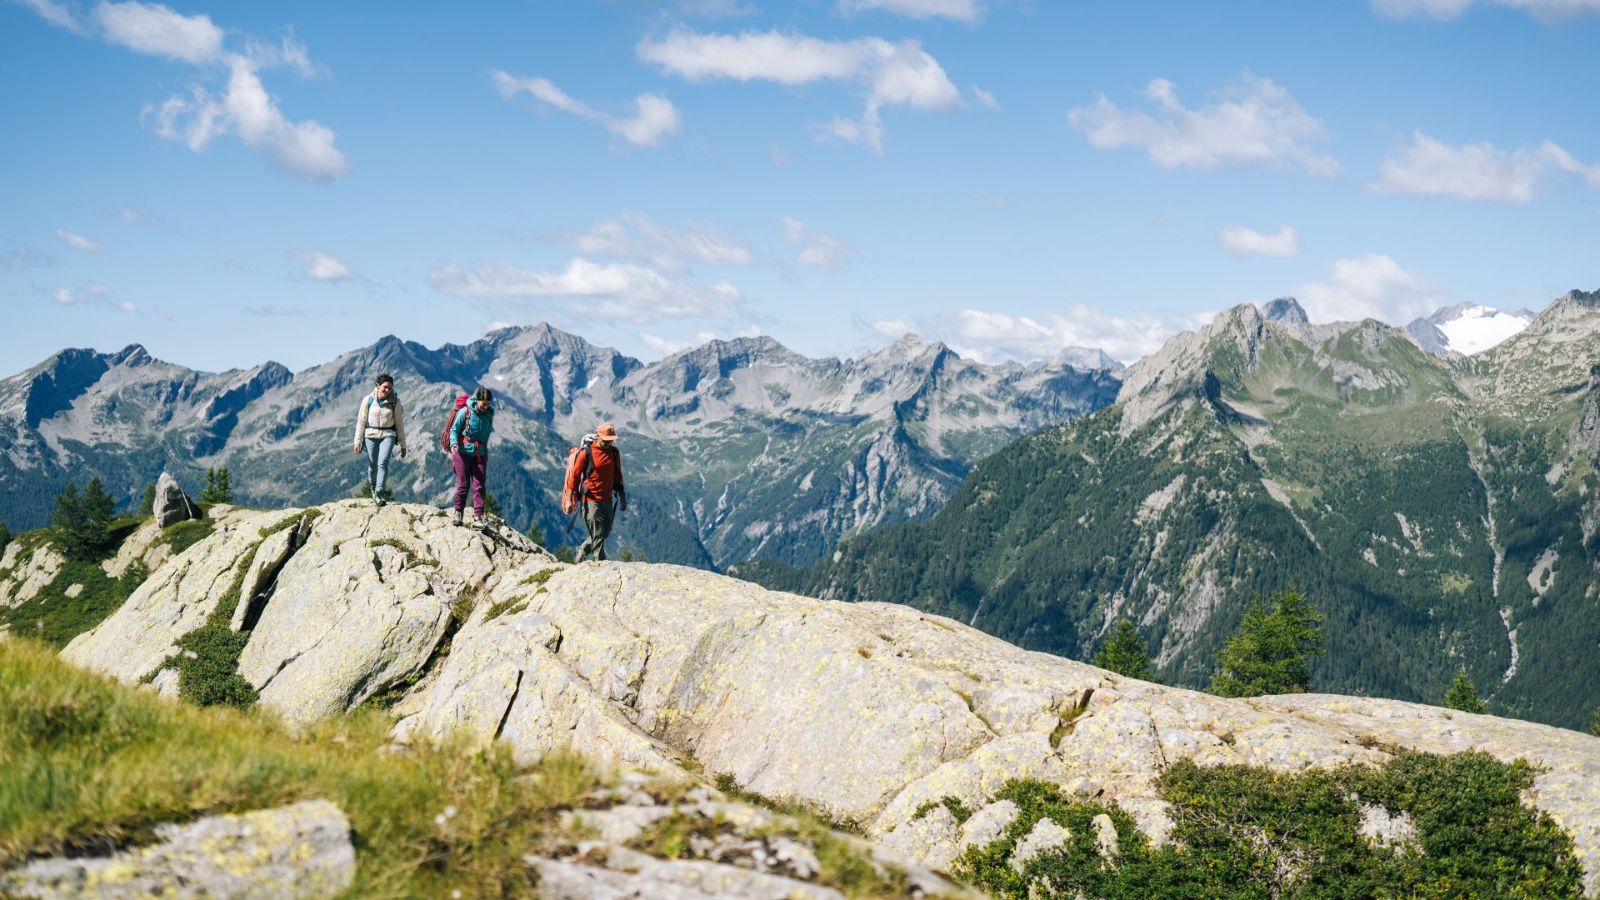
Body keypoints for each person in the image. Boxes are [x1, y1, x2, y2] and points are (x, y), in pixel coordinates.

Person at [570, 422, 626, 562]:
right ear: (598, 436)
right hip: (591, 499)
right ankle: (600, 565)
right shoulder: (586, 453)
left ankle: (584, 549)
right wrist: (571, 496)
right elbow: (575, 475)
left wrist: (622, 496)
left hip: (607, 498)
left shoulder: (614, 452)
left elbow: (617, 475)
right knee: (599, 532)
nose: (608, 443)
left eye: (611, 440)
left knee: (605, 531)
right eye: (606, 440)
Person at [352, 373, 406, 507]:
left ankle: (379, 491)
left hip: (388, 434)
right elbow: (361, 421)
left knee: (383, 463)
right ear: (377, 386)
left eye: (390, 388)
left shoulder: (395, 402)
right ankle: (373, 485)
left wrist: (403, 444)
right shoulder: (368, 400)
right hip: (370, 435)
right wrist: (357, 441)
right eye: (385, 387)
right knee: (373, 465)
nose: (387, 390)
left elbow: (399, 423)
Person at [449, 387, 494, 528]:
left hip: (480, 453)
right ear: (477, 400)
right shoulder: (465, 412)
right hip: (462, 452)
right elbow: (454, 430)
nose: (486, 406)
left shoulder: (489, 414)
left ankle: (478, 516)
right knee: (463, 485)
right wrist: (454, 443)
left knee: (479, 486)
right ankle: (458, 512)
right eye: (483, 403)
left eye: (488, 404)